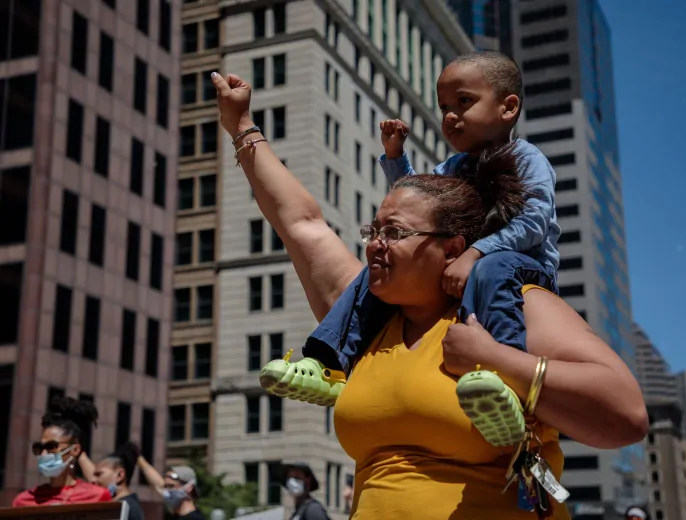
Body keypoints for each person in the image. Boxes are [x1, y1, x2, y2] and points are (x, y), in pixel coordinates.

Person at [211, 70, 648, 519]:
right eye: (373, 231)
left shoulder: (515, 306)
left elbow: (628, 415)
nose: (374, 244)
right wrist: (241, 125)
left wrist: (497, 359)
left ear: (452, 248)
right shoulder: (366, 319)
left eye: (394, 232)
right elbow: (302, 225)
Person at [258, 52, 559, 428]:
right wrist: (395, 156)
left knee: (494, 268)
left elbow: (534, 221)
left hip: (521, 266)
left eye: (464, 102)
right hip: (462, 263)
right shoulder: (453, 168)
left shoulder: (525, 159)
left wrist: (477, 253)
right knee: (381, 262)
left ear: (508, 107)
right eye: (444, 106)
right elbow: (417, 200)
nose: (450, 115)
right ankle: (328, 363)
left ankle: (503, 379)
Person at [13, 396, 111, 506]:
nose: (43, 454)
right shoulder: (23, 501)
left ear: (74, 450)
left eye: (51, 447)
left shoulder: (96, 497)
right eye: (39, 448)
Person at [88, 443, 145, 520]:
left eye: (99, 474)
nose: (93, 480)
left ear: (119, 475)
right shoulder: (120, 506)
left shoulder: (126, 508)